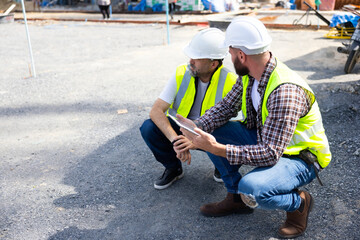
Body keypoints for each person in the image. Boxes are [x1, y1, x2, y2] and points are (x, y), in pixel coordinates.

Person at [176, 16, 331, 238]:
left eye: (230, 53)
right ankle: (236, 199)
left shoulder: (284, 92)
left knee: (252, 188)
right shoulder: (251, 72)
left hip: (300, 156)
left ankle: (299, 203)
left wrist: (218, 149)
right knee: (211, 131)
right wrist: (195, 129)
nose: (229, 58)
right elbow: (227, 106)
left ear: (241, 55)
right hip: (269, 140)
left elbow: (270, 153)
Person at [140, 28, 237, 190]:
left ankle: (222, 166)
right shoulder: (181, 73)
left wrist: (194, 140)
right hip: (182, 131)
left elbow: (237, 127)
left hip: (211, 134)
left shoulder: (231, 81)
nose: (190, 61)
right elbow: (156, 111)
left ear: (213, 64)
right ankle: (173, 168)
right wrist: (176, 141)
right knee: (149, 127)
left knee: (233, 135)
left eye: (197, 58)